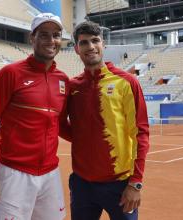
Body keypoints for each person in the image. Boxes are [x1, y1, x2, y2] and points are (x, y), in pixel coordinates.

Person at [0, 13, 69, 220]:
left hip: (50, 174)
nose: (51, 40)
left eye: (56, 35)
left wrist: (93, 138)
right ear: (32, 38)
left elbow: (60, 124)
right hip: (13, 173)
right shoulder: (10, 73)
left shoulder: (62, 80)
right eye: (44, 35)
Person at [62, 21, 150, 220]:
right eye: (84, 43)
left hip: (120, 184)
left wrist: (136, 183)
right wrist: (82, 139)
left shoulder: (126, 82)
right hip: (82, 184)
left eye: (95, 41)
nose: (90, 47)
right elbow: (60, 124)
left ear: (103, 45)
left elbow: (141, 133)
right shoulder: (72, 86)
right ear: (76, 49)